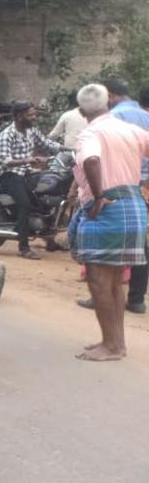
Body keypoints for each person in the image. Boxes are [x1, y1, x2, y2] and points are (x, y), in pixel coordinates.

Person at [68, 84, 149, 361]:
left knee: (99, 280)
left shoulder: (90, 132)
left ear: (81, 110)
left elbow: (91, 160)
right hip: (133, 204)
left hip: (107, 207)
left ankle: (111, 346)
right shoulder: (130, 130)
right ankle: (115, 342)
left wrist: (99, 195)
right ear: (108, 104)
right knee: (115, 280)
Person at [103, 79, 149, 314]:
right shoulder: (145, 116)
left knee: (114, 238)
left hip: (123, 183)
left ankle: (106, 296)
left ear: (109, 96)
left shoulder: (115, 118)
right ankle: (137, 299)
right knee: (141, 239)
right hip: (146, 185)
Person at [0, 100, 61, 259]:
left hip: (27, 173)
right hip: (9, 175)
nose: (35, 117)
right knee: (25, 204)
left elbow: (48, 144)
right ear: (19, 116)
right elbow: (5, 161)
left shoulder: (31, 131)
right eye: (30, 115)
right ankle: (24, 247)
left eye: (34, 114)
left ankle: (50, 240)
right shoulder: (7, 134)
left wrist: (69, 149)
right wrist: (28, 160)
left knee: (47, 196)